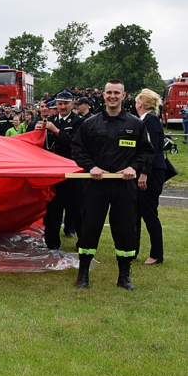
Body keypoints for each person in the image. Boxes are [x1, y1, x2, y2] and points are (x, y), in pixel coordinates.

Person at [71, 79, 155, 290]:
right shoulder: (90, 123)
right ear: (103, 95)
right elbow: (77, 150)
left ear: (124, 96)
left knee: (125, 229)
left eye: (117, 93)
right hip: (96, 184)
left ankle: (124, 276)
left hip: (123, 186)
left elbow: (146, 151)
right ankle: (83, 274)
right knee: (89, 228)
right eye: (109, 92)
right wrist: (91, 167)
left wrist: (133, 167)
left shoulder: (136, 124)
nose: (112, 96)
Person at [40, 90, 84, 249]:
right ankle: (51, 244)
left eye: (66, 103)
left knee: (78, 209)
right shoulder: (50, 119)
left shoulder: (80, 121)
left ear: (73, 103)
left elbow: (75, 142)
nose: (63, 106)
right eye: (60, 103)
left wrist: (56, 131)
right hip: (55, 173)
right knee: (53, 209)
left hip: (74, 172)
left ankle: (83, 243)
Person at [134, 89, 166, 265]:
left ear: (141, 104)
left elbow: (151, 149)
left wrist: (144, 173)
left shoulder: (151, 121)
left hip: (151, 173)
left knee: (149, 213)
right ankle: (133, 250)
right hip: (145, 171)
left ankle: (156, 254)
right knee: (136, 212)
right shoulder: (144, 120)